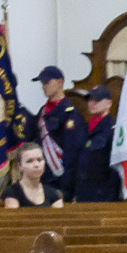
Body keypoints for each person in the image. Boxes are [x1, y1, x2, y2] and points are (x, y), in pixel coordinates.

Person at [32, 68, 85, 199]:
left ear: (60, 82)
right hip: (41, 177)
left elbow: (72, 153)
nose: (44, 86)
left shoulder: (70, 114)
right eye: (42, 83)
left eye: (47, 82)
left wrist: (66, 188)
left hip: (59, 179)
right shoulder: (42, 111)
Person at [75, 84, 122, 203]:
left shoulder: (113, 129)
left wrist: (111, 197)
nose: (92, 103)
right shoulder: (83, 127)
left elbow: (115, 167)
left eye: (97, 100)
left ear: (109, 103)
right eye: (90, 100)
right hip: (82, 190)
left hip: (103, 192)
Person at [0, 141, 62, 208]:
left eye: (39, 160)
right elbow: (13, 214)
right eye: (30, 161)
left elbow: (60, 214)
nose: (36, 165)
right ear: (19, 166)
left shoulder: (53, 194)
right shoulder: (12, 192)